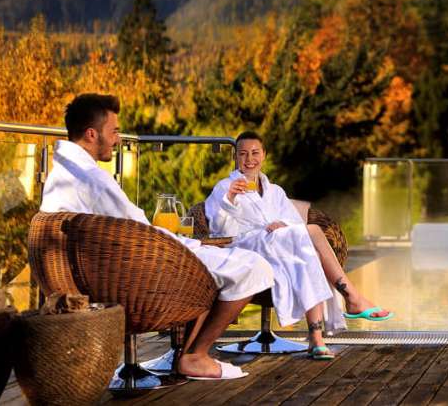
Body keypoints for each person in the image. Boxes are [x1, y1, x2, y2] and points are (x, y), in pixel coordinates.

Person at [40, 94, 274, 380]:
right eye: (114, 131)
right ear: (91, 134)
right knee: (252, 265)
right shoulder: (93, 178)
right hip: (137, 278)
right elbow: (138, 227)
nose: (117, 139)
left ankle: (188, 352)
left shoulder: (60, 174)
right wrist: (183, 243)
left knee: (222, 264)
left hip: (105, 273)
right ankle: (196, 355)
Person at [205, 131, 392, 360]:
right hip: (248, 246)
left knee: (308, 253)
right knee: (312, 232)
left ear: (263, 155)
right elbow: (218, 230)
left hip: (282, 243)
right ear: (236, 157)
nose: (249, 159)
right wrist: (230, 200)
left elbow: (292, 221)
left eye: (255, 153)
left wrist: (282, 224)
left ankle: (316, 338)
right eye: (243, 154)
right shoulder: (225, 186)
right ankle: (351, 297)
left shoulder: (275, 191)